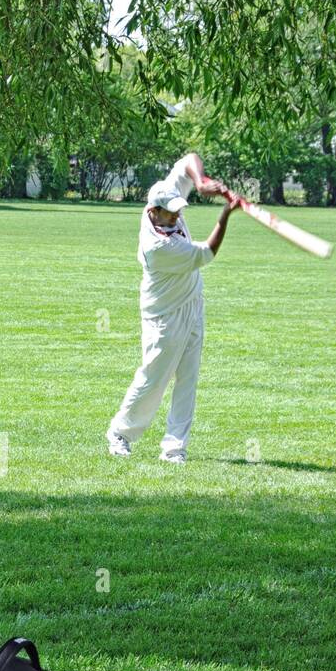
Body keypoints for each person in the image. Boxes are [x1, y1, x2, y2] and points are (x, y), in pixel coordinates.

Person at [106, 152, 241, 464]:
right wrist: (225, 214)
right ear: (153, 213)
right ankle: (120, 433)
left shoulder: (164, 198)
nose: (177, 217)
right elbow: (207, 254)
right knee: (154, 378)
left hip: (192, 304)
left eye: (178, 211)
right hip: (163, 316)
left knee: (188, 379)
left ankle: (174, 448)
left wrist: (202, 181)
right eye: (170, 214)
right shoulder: (159, 248)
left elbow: (189, 159)